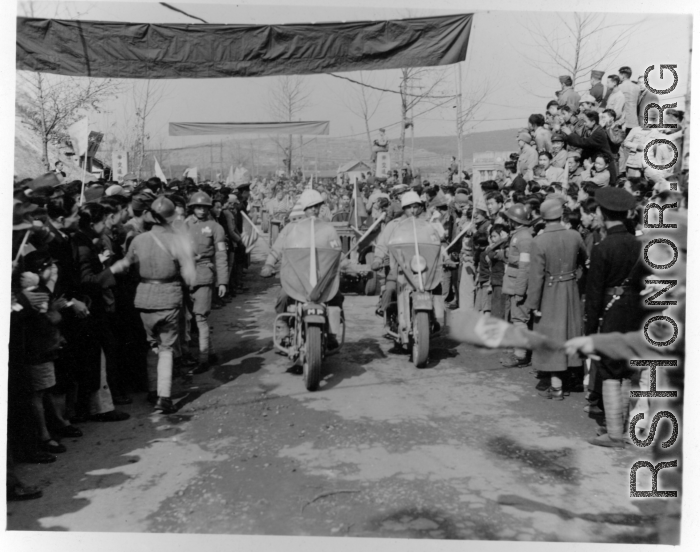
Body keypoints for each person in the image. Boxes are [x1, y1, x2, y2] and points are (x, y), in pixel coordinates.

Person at [119, 197, 196, 414]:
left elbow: (126, 267)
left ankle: (153, 389)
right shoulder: (176, 240)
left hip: (143, 298)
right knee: (167, 347)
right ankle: (164, 396)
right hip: (168, 298)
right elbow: (189, 275)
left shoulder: (138, 240)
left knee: (151, 345)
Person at [584, 187, 646, 447]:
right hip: (636, 312)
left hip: (611, 311)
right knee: (627, 369)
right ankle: (624, 429)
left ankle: (614, 433)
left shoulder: (602, 248)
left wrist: (590, 328)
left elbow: (595, 293)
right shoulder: (640, 244)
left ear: (602, 212)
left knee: (610, 369)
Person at [260, 189, 344, 349]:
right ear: (304, 208)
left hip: (321, 280)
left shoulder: (327, 229)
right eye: (311, 206)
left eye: (317, 206)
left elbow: (336, 251)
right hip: (296, 279)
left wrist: (342, 266)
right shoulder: (291, 228)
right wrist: (269, 264)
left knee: (337, 297)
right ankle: (283, 327)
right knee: (283, 297)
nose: (314, 209)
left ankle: (332, 332)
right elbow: (277, 249)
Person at [525, 198, 587, 399]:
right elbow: (584, 261)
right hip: (571, 290)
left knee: (551, 336)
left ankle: (556, 386)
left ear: (543, 217)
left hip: (549, 293)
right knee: (569, 333)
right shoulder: (575, 235)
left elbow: (536, 277)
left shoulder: (539, 241)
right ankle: (570, 379)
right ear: (561, 215)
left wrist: (532, 303)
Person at [184, 191, 229, 374]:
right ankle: (210, 353)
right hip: (185, 274)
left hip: (204, 273)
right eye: (197, 207)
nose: (201, 210)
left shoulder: (215, 227)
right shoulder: (184, 225)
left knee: (201, 317)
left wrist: (223, 282)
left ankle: (203, 360)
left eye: (204, 207)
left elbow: (221, 255)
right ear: (192, 208)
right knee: (192, 318)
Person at [500, 203, 534, 368]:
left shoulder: (524, 238)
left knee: (519, 320)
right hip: (513, 283)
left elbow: (525, 267)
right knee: (516, 319)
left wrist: (520, 291)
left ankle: (521, 356)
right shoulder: (519, 235)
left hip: (518, 285)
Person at [560, 110, 618, 183]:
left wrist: (570, 134)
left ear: (593, 122)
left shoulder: (598, 133)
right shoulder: (593, 130)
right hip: (598, 163)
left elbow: (584, 143)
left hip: (605, 165)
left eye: (586, 121)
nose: (584, 124)